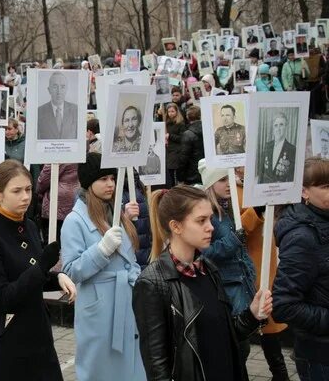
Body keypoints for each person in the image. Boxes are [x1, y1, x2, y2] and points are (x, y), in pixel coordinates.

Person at [133, 185, 272, 381]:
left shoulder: (209, 268)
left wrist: (252, 314)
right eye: (201, 221)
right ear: (176, 226)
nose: (211, 227)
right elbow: (157, 366)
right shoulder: (153, 283)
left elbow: (227, 335)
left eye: (210, 218)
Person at [0, 160, 76, 381]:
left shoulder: (28, 225)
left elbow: (31, 275)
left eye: (28, 189)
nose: (25, 197)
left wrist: (57, 277)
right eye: (17, 191)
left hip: (37, 333)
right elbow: (2, 298)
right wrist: (42, 267)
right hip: (8, 340)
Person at [60, 153, 146, 381]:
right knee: (100, 369)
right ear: (89, 183)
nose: (110, 184)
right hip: (98, 306)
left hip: (126, 300)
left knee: (130, 366)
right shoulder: (74, 220)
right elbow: (71, 270)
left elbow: (130, 260)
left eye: (112, 177)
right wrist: (101, 250)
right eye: (103, 179)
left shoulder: (115, 212)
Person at [272, 157, 329, 381]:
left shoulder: (323, 218)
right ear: (304, 192)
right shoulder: (301, 237)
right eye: (325, 187)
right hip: (321, 357)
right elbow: (284, 306)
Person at [198, 160, 257, 376]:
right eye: (223, 179)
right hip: (227, 288)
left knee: (242, 345)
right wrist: (233, 240)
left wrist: (251, 271)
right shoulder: (208, 215)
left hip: (241, 283)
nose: (229, 183)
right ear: (211, 183)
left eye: (229, 177)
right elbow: (205, 252)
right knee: (238, 346)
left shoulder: (226, 208)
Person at [235, 168, 290, 381]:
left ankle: (280, 373)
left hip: (265, 256)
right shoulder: (231, 188)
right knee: (256, 316)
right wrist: (256, 209)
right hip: (248, 261)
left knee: (268, 316)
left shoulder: (257, 181)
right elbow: (238, 229)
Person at [37, 163, 80, 244]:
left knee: (53, 242)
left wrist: (38, 192)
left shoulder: (57, 153)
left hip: (56, 204)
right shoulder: (80, 152)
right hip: (76, 199)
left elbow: (43, 182)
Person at [37, 72, 78, 140]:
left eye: (62, 87)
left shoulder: (76, 110)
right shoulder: (39, 112)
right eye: (55, 87)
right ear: (49, 90)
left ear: (66, 89)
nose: (59, 92)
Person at [259, 113, 296, 183]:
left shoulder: (292, 149)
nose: (278, 129)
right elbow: (261, 171)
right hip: (265, 188)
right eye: (276, 125)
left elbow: (291, 177)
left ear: (286, 127)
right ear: (273, 128)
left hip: (281, 190)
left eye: (281, 125)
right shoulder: (267, 145)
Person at [177, 106, 205, 185]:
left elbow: (183, 158)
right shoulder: (209, 130)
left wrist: (180, 177)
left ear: (187, 117)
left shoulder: (188, 134)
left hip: (192, 176)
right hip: (206, 171)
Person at [164, 103, 186, 188]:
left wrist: (170, 136)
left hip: (176, 152)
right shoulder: (167, 123)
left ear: (177, 112)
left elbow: (182, 138)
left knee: (175, 173)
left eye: (172, 111)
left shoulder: (180, 124)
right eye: (169, 111)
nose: (170, 113)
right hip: (169, 151)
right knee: (170, 173)